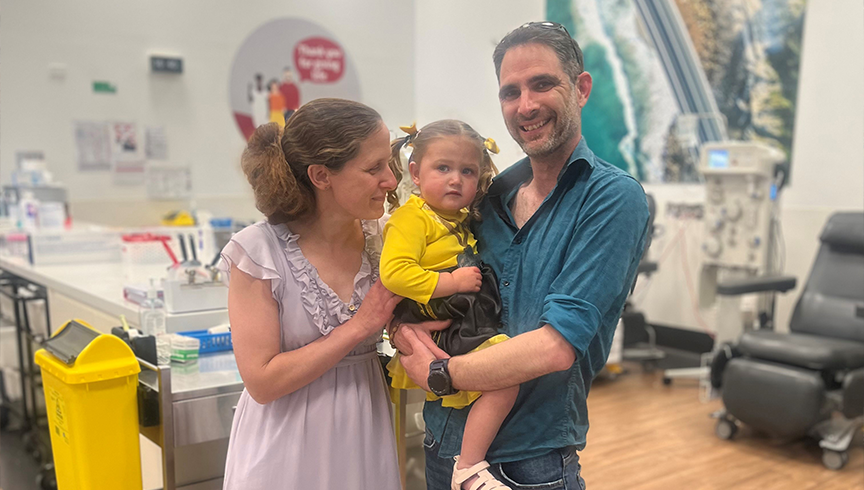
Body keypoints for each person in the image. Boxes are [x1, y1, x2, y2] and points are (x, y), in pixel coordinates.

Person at [392, 22, 650, 489]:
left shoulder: (612, 199)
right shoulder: (487, 197)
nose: (525, 106)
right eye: (511, 92)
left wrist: (439, 373)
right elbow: (426, 279)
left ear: (581, 88)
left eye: (542, 84)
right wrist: (402, 326)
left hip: (528, 465)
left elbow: (555, 346)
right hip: (441, 442)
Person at [220, 98, 402, 489]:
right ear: (321, 175)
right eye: (374, 168)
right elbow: (262, 382)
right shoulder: (257, 252)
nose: (391, 180)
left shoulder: (385, 241)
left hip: (364, 436)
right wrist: (359, 327)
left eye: (388, 163)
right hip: (284, 451)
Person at [381, 120, 518, 490]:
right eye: (443, 168)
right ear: (416, 172)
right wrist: (451, 282)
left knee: (501, 380)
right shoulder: (411, 218)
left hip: (460, 318)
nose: (455, 179)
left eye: (467, 171)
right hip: (442, 321)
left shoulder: (457, 219)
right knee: (507, 375)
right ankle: (469, 466)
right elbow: (394, 273)